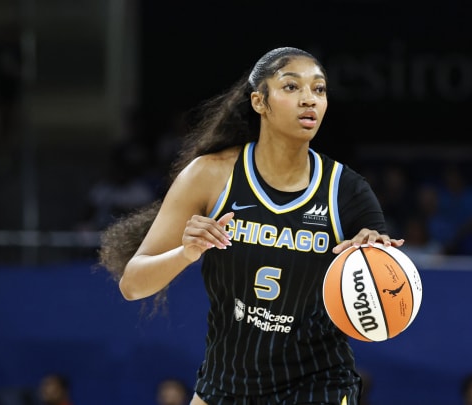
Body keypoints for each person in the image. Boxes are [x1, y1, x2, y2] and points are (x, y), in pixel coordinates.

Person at [98, 47, 403, 405]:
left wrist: (375, 254)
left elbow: (380, 299)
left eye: (319, 90)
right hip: (226, 384)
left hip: (317, 385)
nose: (309, 99)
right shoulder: (209, 175)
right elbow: (133, 285)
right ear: (260, 101)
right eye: (292, 87)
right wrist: (186, 253)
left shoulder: (348, 191)